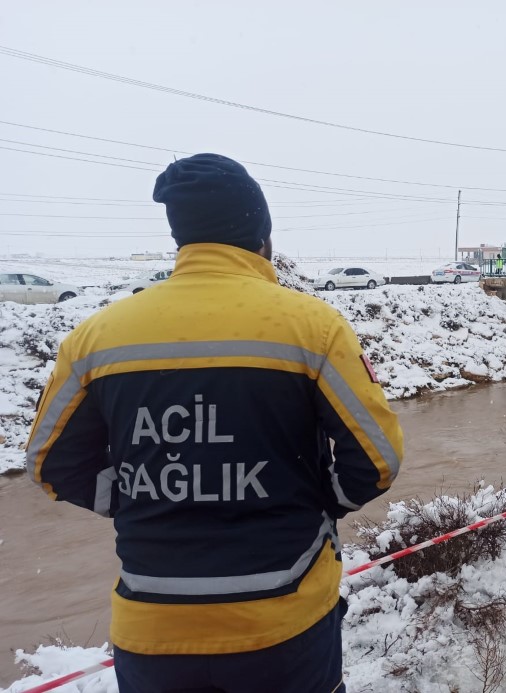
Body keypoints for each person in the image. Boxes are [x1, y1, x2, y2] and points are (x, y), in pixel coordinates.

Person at [26, 154, 404, 693]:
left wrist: (141, 495)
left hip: (151, 628)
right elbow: (376, 461)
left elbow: (49, 464)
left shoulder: (94, 337)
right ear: (262, 238)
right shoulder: (313, 327)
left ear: (180, 237)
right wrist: (316, 499)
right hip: (284, 620)